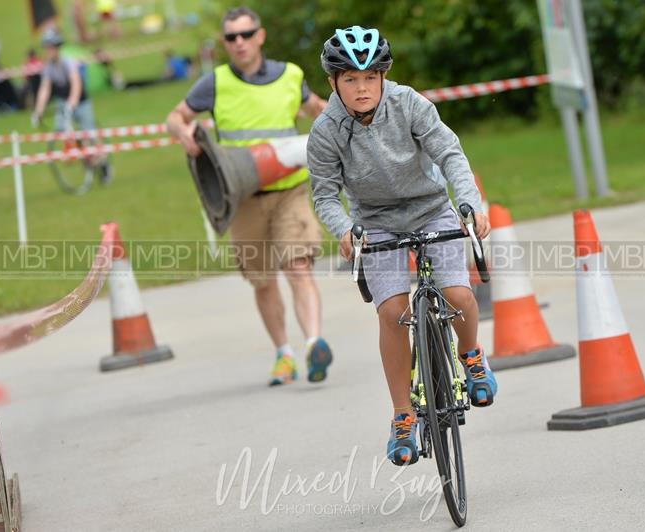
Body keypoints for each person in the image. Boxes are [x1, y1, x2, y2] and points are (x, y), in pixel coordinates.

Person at [307, 26, 498, 466]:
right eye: (350, 79)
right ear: (333, 83)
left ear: (383, 77)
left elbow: (450, 153)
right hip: (374, 225)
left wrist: (469, 202)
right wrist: (344, 229)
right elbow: (323, 194)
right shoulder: (325, 131)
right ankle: (402, 417)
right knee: (393, 311)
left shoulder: (409, 103)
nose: (361, 88)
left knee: (456, 292)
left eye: (370, 77)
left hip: (431, 209)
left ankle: (471, 357)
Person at [167, 6, 331, 387]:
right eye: (231, 37)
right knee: (262, 279)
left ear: (260, 36)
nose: (239, 43)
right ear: (226, 44)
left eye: (245, 34)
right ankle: (283, 355)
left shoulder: (291, 76)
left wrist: (348, 118)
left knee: (298, 267)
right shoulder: (216, 82)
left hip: (289, 189)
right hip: (241, 197)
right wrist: (183, 133)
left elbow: (317, 110)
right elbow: (176, 116)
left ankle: (313, 344)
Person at [31, 27, 110, 184]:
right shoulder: (48, 68)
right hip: (63, 101)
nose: (48, 51)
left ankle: (103, 163)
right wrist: (38, 111)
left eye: (50, 47)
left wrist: (71, 105)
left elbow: (76, 84)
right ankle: (74, 150)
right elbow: (44, 89)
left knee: (90, 134)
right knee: (61, 127)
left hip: (80, 102)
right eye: (46, 47)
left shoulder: (68, 63)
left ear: (56, 48)